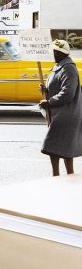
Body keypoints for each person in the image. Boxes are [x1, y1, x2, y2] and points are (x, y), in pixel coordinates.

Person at [39, 39, 82, 176]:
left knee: (55, 146)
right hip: (60, 114)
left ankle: (60, 177)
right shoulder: (60, 65)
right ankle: (59, 176)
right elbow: (57, 85)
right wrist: (45, 88)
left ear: (63, 54)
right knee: (63, 148)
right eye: (54, 51)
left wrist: (49, 101)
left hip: (66, 115)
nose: (54, 54)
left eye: (57, 52)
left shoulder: (68, 68)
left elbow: (67, 93)